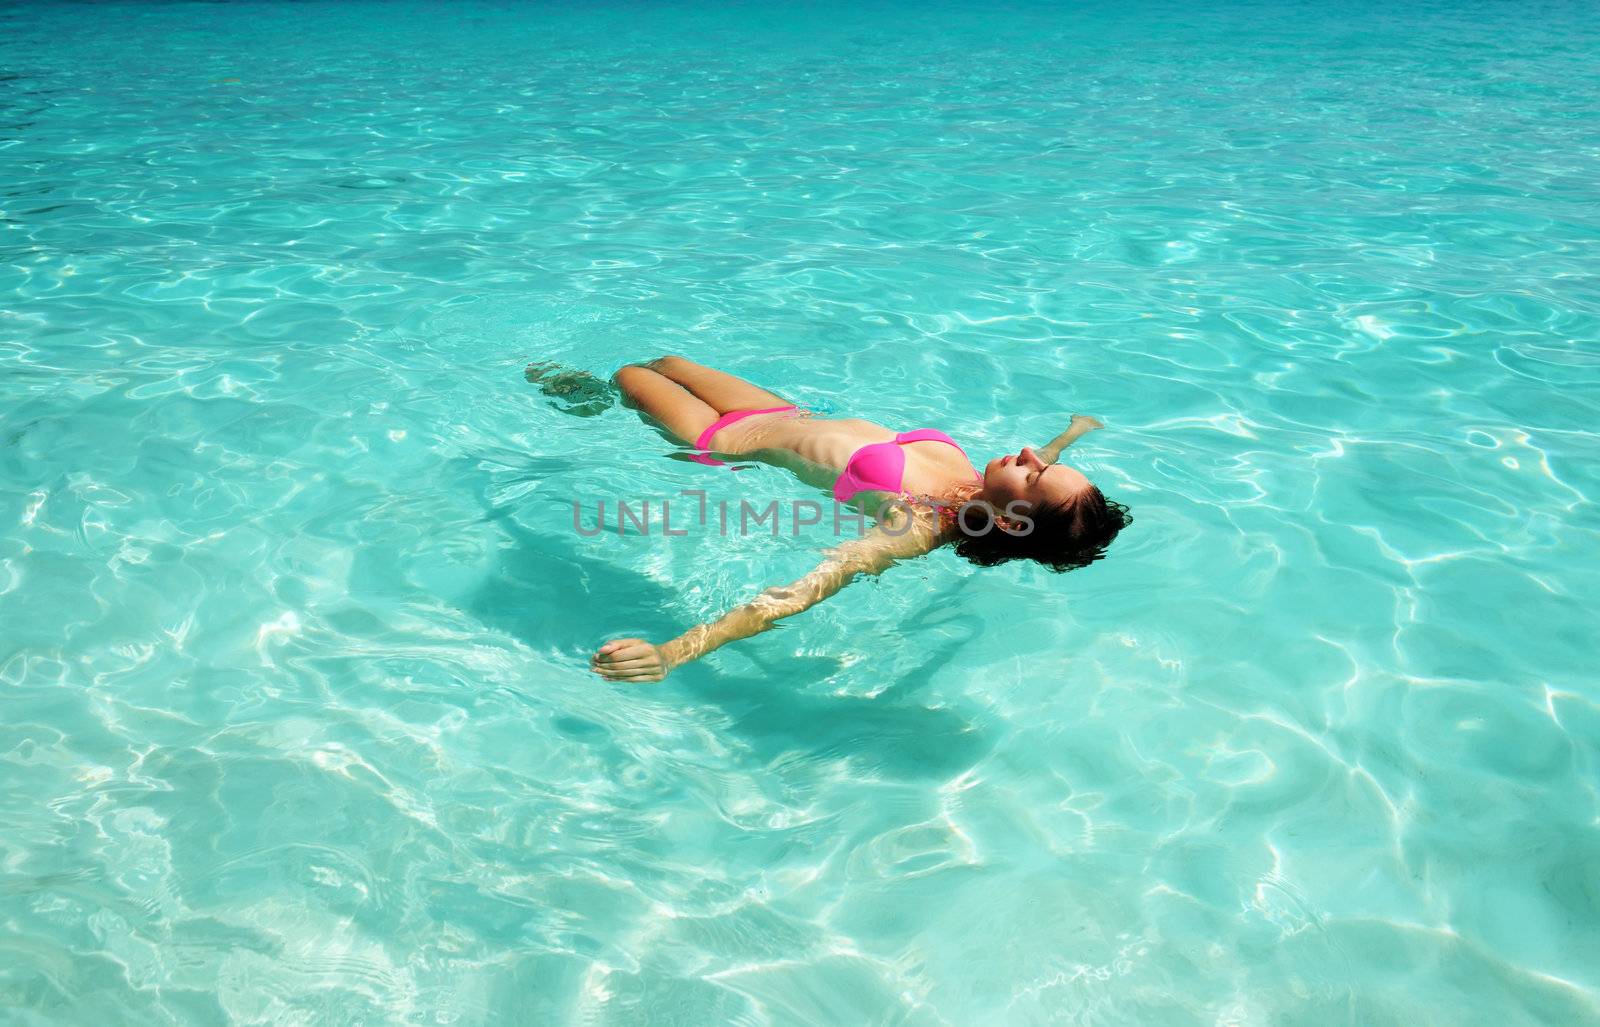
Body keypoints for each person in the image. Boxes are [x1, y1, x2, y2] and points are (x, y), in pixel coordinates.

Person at [577, 355, 1129, 682]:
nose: (1034, 453)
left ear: (1010, 524)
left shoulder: (916, 524)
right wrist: (1075, 429)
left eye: (1035, 473)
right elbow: (1048, 461)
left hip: (721, 437)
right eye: (1047, 460)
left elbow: (797, 595)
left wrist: (673, 653)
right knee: (669, 362)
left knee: (628, 374)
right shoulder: (987, 486)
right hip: (782, 412)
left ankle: (580, 396)